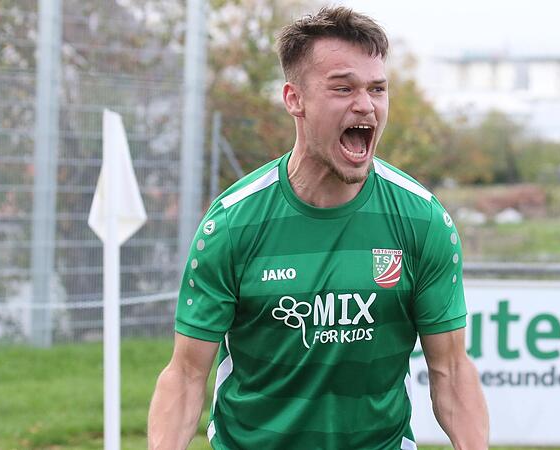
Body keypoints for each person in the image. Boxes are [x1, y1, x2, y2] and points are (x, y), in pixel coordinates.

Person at [148, 6, 489, 450]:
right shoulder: (232, 223)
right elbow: (187, 374)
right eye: (343, 88)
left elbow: (452, 370)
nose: (365, 104)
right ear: (295, 99)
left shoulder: (421, 218)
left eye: (377, 89)